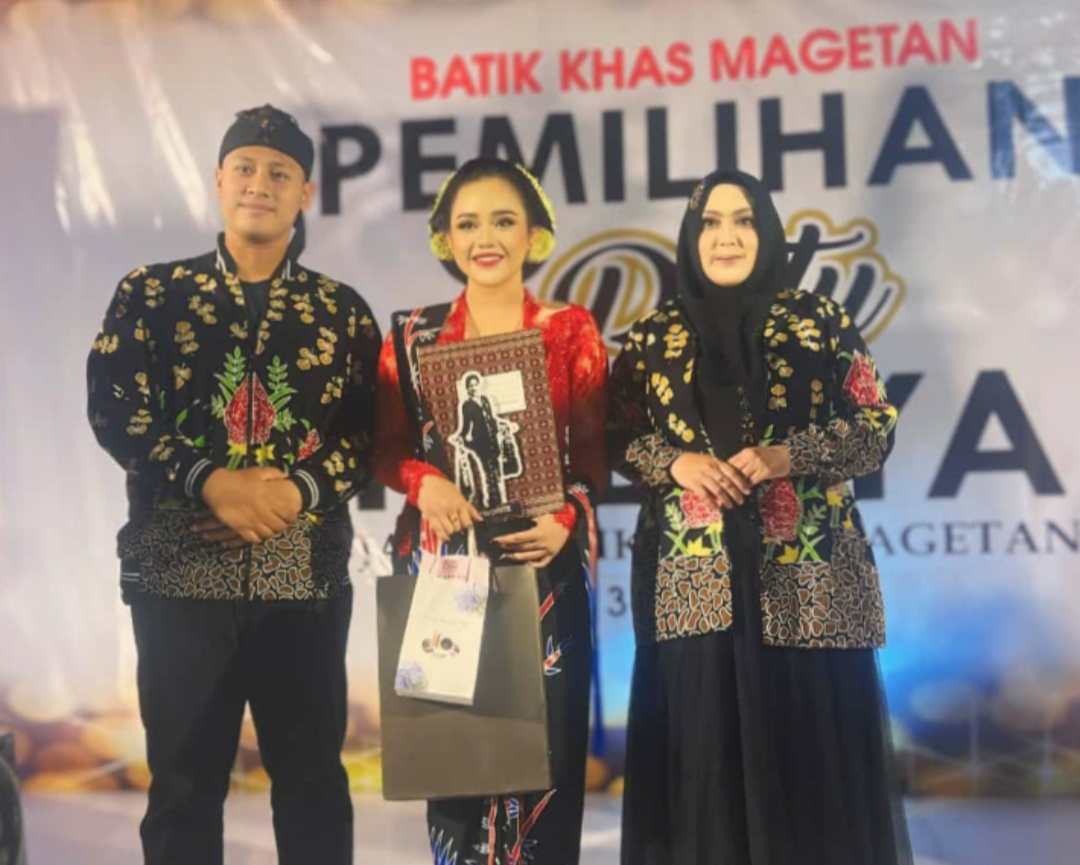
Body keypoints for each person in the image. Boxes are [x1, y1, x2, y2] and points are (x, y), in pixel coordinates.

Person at [86, 104, 381, 865]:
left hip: (301, 580)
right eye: (245, 168)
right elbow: (115, 407)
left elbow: (366, 436)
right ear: (219, 180)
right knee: (183, 788)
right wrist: (209, 482)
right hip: (179, 573)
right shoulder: (152, 294)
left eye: (280, 172)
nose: (260, 184)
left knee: (313, 786)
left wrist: (294, 494)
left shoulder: (340, 312)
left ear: (305, 193)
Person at [609, 169, 912, 865]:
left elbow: (875, 427)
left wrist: (787, 454)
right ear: (690, 237)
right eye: (711, 223)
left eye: (743, 220)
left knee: (813, 768)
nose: (727, 238)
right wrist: (675, 463)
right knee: (702, 763)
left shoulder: (819, 320)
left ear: (768, 231)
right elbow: (615, 436)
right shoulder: (653, 336)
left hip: (808, 575)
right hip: (693, 580)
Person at [374, 157, 608, 865]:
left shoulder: (569, 329)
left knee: (547, 760)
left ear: (534, 233)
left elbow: (593, 459)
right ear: (445, 238)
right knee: (455, 761)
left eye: (504, 221)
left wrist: (566, 520)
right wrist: (424, 483)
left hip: (543, 569)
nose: (486, 238)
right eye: (468, 223)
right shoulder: (413, 337)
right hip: (445, 571)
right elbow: (382, 449)